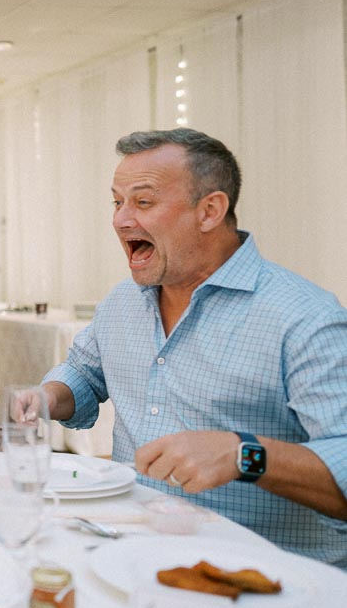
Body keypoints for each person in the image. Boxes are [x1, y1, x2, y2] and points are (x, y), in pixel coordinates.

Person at [40, 129, 347, 566]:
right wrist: (47, 397)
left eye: (143, 202)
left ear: (210, 210)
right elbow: (86, 374)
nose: (121, 220)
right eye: (117, 202)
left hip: (267, 578)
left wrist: (246, 453)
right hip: (132, 551)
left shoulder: (306, 317)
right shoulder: (123, 301)